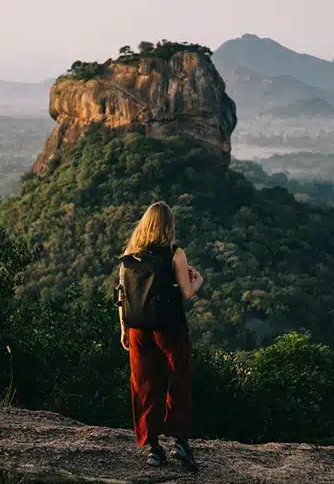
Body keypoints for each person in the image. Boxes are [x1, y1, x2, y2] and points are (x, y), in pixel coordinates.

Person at [115, 201, 203, 471]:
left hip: (137, 328)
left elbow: (122, 296)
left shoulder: (130, 255)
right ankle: (179, 441)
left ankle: (153, 448)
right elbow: (187, 292)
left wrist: (123, 330)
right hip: (170, 329)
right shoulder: (175, 254)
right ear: (168, 226)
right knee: (178, 379)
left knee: (144, 385)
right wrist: (198, 280)